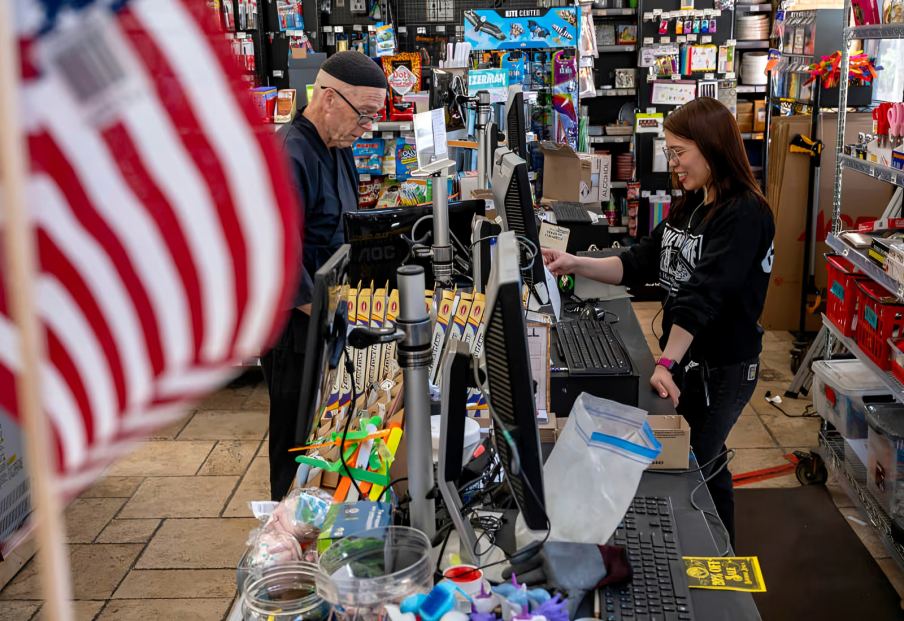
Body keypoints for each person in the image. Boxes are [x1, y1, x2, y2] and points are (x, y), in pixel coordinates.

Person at [542, 97, 775, 547]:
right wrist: (575, 263)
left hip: (721, 369)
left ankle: (713, 561)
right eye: (669, 152)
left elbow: (704, 295)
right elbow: (640, 261)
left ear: (712, 146)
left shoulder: (744, 213)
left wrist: (666, 363)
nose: (672, 164)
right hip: (689, 363)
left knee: (695, 466)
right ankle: (720, 553)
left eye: (679, 152)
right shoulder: (693, 205)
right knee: (705, 462)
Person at [263, 52, 388, 500]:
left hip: (328, 319)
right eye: (365, 114)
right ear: (329, 99)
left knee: (322, 439)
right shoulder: (289, 155)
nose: (368, 127)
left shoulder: (338, 147)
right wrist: (330, 317)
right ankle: (282, 530)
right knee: (295, 443)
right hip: (297, 329)